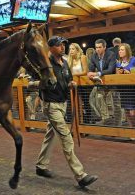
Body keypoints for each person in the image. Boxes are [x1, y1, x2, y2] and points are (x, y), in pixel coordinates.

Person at [30, 36, 98, 188]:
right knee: (66, 137)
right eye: (59, 45)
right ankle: (80, 175)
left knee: (50, 135)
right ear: (51, 48)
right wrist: (41, 83)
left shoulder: (65, 63)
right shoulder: (44, 63)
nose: (63, 47)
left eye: (63, 45)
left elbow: (66, 81)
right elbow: (31, 82)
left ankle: (41, 166)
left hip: (63, 103)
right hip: (51, 105)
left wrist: (71, 84)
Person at [87, 39, 121, 125]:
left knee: (116, 103)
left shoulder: (111, 54)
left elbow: (110, 70)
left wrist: (96, 73)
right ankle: (106, 120)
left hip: (112, 82)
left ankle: (118, 124)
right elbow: (90, 69)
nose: (97, 49)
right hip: (101, 82)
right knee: (98, 97)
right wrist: (90, 74)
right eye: (96, 47)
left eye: (99, 47)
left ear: (105, 47)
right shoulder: (94, 56)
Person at [116, 43, 135, 128]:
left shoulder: (133, 60)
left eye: (122, 50)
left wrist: (129, 72)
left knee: (132, 112)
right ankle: (131, 130)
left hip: (132, 90)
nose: (120, 51)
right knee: (126, 111)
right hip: (123, 90)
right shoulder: (118, 63)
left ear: (127, 51)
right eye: (119, 50)